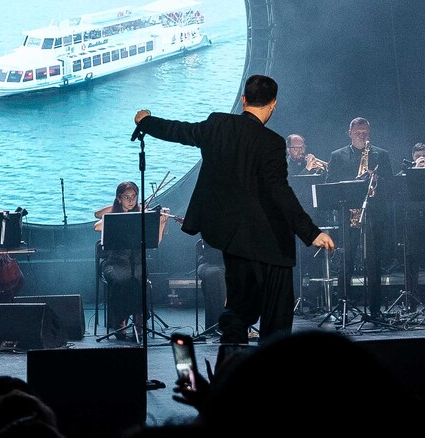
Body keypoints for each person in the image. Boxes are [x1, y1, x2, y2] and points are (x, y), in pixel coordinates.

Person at [133, 74, 335, 344]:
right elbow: (279, 192)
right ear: (273, 104)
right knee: (276, 315)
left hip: (233, 239)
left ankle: (230, 360)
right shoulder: (272, 142)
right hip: (271, 242)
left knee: (239, 309)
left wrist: (146, 121)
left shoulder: (218, 125)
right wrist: (310, 232)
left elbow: (179, 131)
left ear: (243, 99)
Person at [327, 117, 394, 321]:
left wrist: (377, 179)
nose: (362, 136)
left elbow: (391, 185)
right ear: (350, 133)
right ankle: (343, 307)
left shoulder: (381, 155)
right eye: (358, 132)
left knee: (374, 261)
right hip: (349, 213)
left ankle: (375, 309)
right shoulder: (337, 156)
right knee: (345, 260)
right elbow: (330, 185)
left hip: (374, 214)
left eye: (365, 132)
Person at [95, 181, 170, 338]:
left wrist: (162, 223)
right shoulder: (115, 215)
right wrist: (121, 213)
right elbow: (97, 223)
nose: (131, 201)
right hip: (115, 263)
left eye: (134, 197)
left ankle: (139, 319)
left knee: (138, 279)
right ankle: (120, 320)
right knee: (122, 280)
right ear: (119, 198)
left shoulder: (141, 216)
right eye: (126, 197)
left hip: (137, 263)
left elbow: (155, 242)